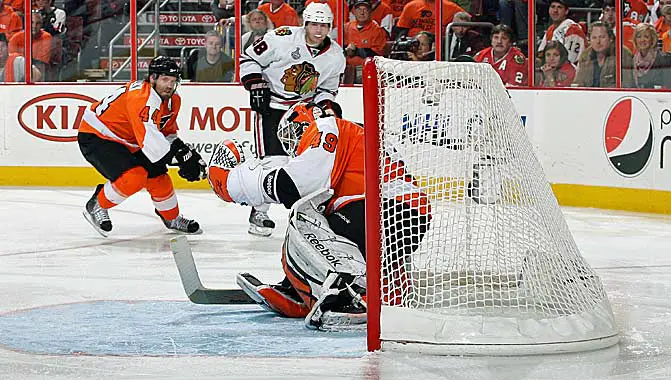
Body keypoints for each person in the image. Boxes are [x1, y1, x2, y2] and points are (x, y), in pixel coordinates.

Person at [207, 102, 431, 329]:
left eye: (293, 134)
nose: (293, 145)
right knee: (321, 215)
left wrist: (234, 184)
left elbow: (296, 184)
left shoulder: (326, 125)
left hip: (385, 208)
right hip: (401, 215)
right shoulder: (354, 134)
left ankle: (348, 297)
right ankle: (302, 289)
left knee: (305, 216)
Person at [239, 2, 345, 237]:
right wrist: (255, 83)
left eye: (324, 25)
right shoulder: (281, 37)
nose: (319, 30)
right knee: (273, 161)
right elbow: (248, 59)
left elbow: (328, 88)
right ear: (304, 23)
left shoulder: (336, 55)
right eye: (314, 24)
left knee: (310, 164)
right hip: (273, 106)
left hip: (303, 111)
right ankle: (259, 211)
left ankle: (307, 213)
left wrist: (327, 106)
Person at [77, 56, 207, 237]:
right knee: (134, 177)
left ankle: (172, 217)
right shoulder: (142, 99)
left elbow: (166, 132)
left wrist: (183, 152)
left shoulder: (173, 99)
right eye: (164, 80)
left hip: (130, 139)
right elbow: (150, 141)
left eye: (173, 80)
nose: (169, 85)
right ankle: (97, 205)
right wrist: (182, 160)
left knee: (158, 176)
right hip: (98, 136)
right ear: (152, 79)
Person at [573, 22, 634, 88]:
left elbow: (628, 85)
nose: (598, 41)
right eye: (594, 38)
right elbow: (578, 83)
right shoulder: (585, 55)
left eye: (602, 37)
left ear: (611, 38)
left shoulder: (623, 54)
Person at [343, 0, 388, 82]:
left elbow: (377, 55)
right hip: (346, 68)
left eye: (365, 10)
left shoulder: (377, 30)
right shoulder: (346, 27)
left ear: (370, 12)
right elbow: (339, 47)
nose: (362, 13)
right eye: (359, 9)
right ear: (354, 12)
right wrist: (346, 50)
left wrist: (356, 51)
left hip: (366, 69)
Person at [537, 0, 587, 65]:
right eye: (553, 7)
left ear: (566, 11)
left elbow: (570, 60)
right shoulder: (551, 29)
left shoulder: (573, 30)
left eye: (559, 7)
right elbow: (541, 54)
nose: (555, 10)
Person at [394, 0, 464, 39]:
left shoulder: (451, 7)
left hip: (438, 44)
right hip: (413, 42)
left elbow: (468, 21)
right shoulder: (411, 6)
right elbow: (402, 30)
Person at [631, 23, 671, 88]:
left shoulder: (664, 59)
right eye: (639, 37)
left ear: (653, 39)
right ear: (635, 40)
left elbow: (668, 86)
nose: (642, 40)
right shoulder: (633, 60)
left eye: (646, 37)